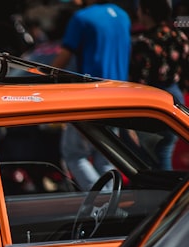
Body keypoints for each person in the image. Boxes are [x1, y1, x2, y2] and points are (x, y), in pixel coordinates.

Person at [52, 0, 131, 189]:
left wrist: (39, 76)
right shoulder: (122, 15)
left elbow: (63, 57)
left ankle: (102, 202)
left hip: (91, 98)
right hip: (120, 98)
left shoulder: (82, 17)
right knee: (106, 159)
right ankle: (108, 206)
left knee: (74, 154)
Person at [130, 0, 189, 169]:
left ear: (146, 11)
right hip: (175, 99)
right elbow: (186, 73)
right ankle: (168, 192)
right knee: (164, 151)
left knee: (148, 158)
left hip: (152, 102)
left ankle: (161, 193)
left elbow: (138, 81)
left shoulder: (144, 42)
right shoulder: (179, 36)